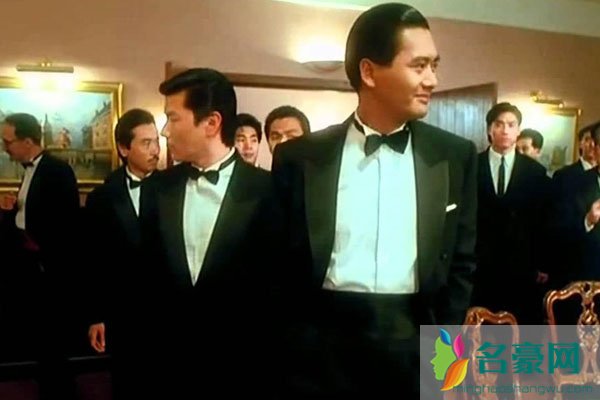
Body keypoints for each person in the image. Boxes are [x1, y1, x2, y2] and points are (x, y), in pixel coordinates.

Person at [271, 3, 477, 397]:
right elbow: (280, 263)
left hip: (416, 340)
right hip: (322, 348)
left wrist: (447, 348)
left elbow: (462, 262)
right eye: (419, 66)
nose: (432, 80)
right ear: (369, 72)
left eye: (434, 65)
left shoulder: (454, 155)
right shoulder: (301, 157)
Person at [142, 68, 281, 398]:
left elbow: (278, 291)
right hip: (169, 366)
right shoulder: (156, 189)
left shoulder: (269, 191)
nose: (164, 131)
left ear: (211, 123)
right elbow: (146, 280)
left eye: (172, 118)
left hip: (243, 368)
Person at [0, 113, 79, 400]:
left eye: (8, 141)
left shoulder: (58, 171)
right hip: (29, 270)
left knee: (53, 346)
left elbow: (66, 226)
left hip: (50, 273)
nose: (4, 148)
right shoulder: (29, 170)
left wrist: (40, 251)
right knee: (40, 345)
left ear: (28, 141)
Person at [84, 108, 159, 399]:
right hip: (123, 312)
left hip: (167, 311)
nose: (155, 150)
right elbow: (93, 261)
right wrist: (96, 316)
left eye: (156, 141)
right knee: (126, 383)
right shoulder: (103, 197)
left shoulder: (173, 187)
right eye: (146, 143)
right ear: (124, 148)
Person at [471, 102, 549, 323]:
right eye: (499, 124)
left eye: (511, 125)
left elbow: (542, 221)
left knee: (518, 330)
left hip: (521, 266)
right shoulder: (472, 165)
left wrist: (542, 262)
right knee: (478, 331)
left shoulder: (535, 172)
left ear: (518, 130)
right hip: (480, 265)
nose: (505, 130)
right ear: (489, 129)